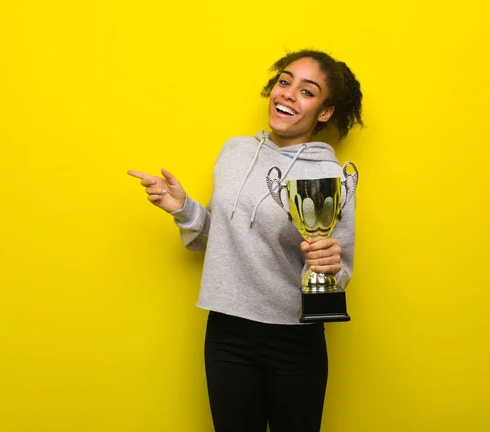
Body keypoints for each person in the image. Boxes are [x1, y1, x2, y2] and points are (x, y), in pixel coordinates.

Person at [128, 49, 363, 432]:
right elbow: (216, 238)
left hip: (294, 337)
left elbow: (340, 268)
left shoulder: (329, 174)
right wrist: (182, 208)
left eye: (307, 91)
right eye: (284, 82)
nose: (288, 94)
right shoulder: (235, 152)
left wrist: (331, 264)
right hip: (227, 332)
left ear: (324, 112)